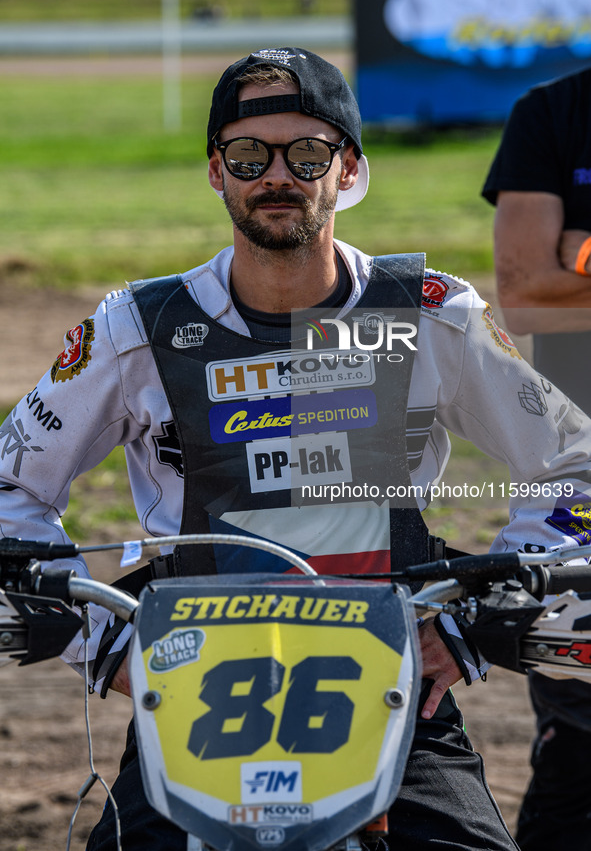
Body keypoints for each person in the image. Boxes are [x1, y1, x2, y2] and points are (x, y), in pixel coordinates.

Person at [1, 47, 591, 851]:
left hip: (391, 690)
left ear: (347, 168)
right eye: (249, 155)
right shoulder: (133, 327)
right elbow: (11, 485)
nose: (276, 176)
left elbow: (575, 462)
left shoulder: (426, 314)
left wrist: (468, 627)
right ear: (216, 172)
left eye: (307, 153)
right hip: (191, 699)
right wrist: (103, 644)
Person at [482, 67, 591, 851]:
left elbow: (559, 276)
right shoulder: (553, 111)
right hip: (579, 471)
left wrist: (579, 258)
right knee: (580, 727)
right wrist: (552, 271)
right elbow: (523, 292)